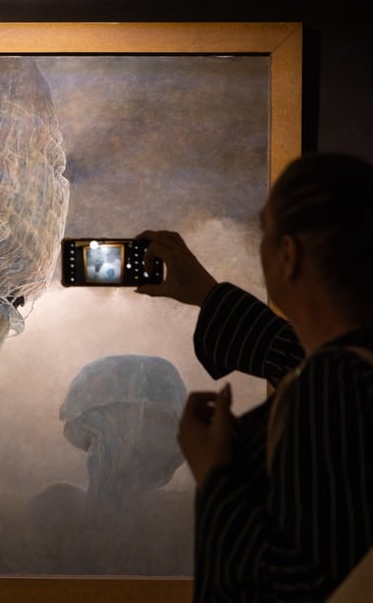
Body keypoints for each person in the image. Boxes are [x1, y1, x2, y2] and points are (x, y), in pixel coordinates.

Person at [134, 151, 373, 602]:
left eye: (266, 233)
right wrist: (208, 295)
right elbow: (303, 356)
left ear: (288, 255)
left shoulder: (332, 387)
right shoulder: (348, 375)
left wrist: (215, 474)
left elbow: (294, 586)